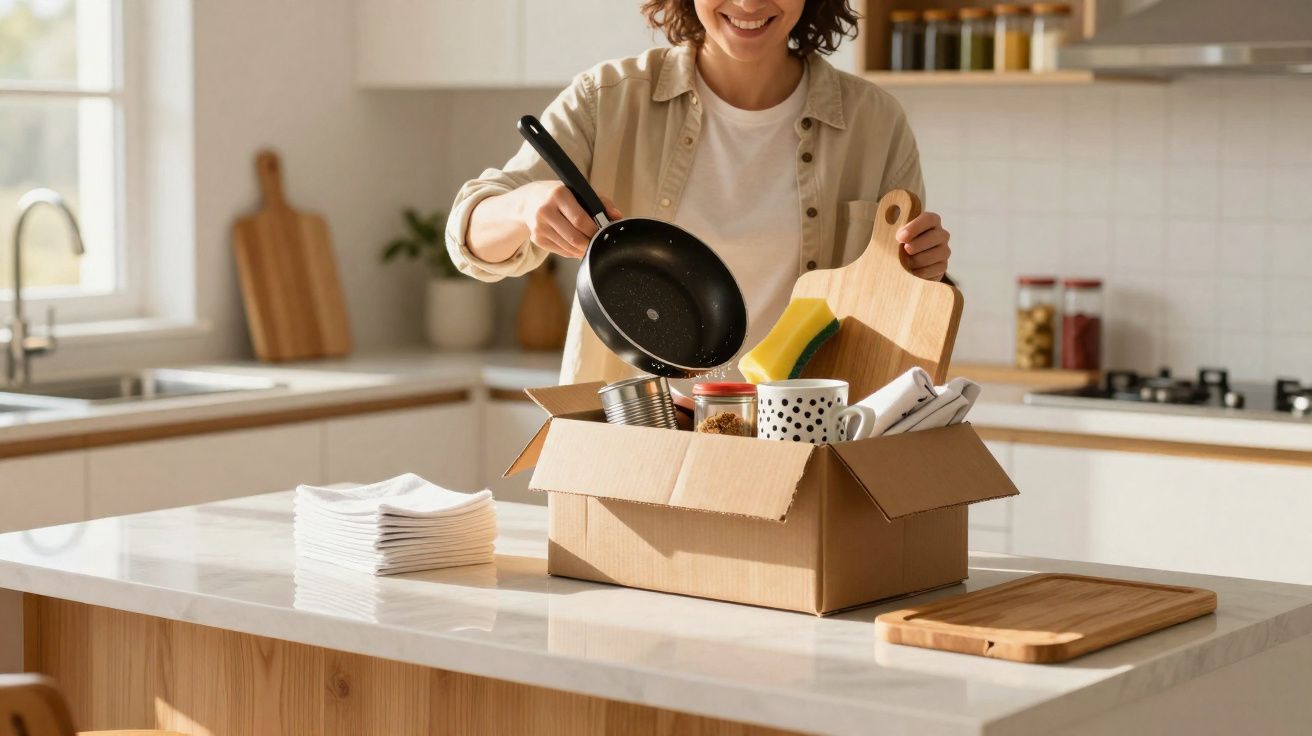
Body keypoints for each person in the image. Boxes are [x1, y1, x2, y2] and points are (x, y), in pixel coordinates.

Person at [446, 0, 952, 385]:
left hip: (804, 440)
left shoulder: (875, 123)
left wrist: (922, 272)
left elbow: (899, 316)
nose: (749, 3)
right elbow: (469, 238)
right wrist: (523, 205)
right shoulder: (607, 99)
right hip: (631, 436)